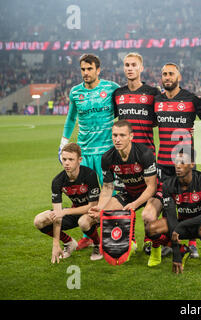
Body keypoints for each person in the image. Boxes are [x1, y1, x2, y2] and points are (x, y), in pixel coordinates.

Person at [147, 62, 201, 259]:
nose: (167, 77)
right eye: (164, 74)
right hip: (164, 162)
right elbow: (153, 121)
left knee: (191, 203)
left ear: (179, 77)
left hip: (186, 162)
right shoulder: (156, 100)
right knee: (168, 204)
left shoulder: (191, 99)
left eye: (171, 74)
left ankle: (191, 244)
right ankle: (168, 241)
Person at [59, 53, 120, 250]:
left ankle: (116, 233)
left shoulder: (111, 88)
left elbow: (126, 105)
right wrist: (63, 142)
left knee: (109, 194)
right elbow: (70, 119)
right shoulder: (75, 92)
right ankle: (88, 234)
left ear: (98, 70)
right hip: (84, 152)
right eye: (83, 69)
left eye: (89, 69)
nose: (85, 73)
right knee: (85, 196)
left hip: (106, 152)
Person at [87, 120, 158, 257]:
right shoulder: (107, 157)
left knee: (147, 215)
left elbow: (151, 187)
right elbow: (107, 187)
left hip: (150, 193)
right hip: (130, 192)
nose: (117, 139)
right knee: (101, 215)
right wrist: (100, 207)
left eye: (122, 135)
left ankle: (149, 240)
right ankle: (128, 241)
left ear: (131, 136)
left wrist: (135, 204)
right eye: (114, 135)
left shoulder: (144, 154)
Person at [113, 52, 161, 255]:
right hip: (123, 159)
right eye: (126, 65)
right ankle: (129, 239)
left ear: (141, 68)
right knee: (126, 195)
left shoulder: (152, 92)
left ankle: (150, 239)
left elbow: (161, 118)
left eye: (134, 65)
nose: (130, 68)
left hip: (147, 156)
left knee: (149, 198)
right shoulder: (118, 95)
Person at [146, 147, 201, 274]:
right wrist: (176, 252)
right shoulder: (169, 184)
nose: (178, 166)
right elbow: (171, 216)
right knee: (151, 229)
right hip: (180, 224)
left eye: (183, 162)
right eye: (176, 162)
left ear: (192, 164)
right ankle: (182, 249)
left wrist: (181, 226)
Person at [34, 143, 102, 263]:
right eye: (64, 159)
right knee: (39, 220)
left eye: (71, 159)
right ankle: (68, 242)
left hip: (95, 213)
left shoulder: (89, 175)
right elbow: (57, 213)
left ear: (79, 160)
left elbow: (92, 206)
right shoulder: (57, 181)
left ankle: (98, 244)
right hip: (75, 211)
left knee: (83, 222)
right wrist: (55, 243)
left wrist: (65, 211)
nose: (66, 163)